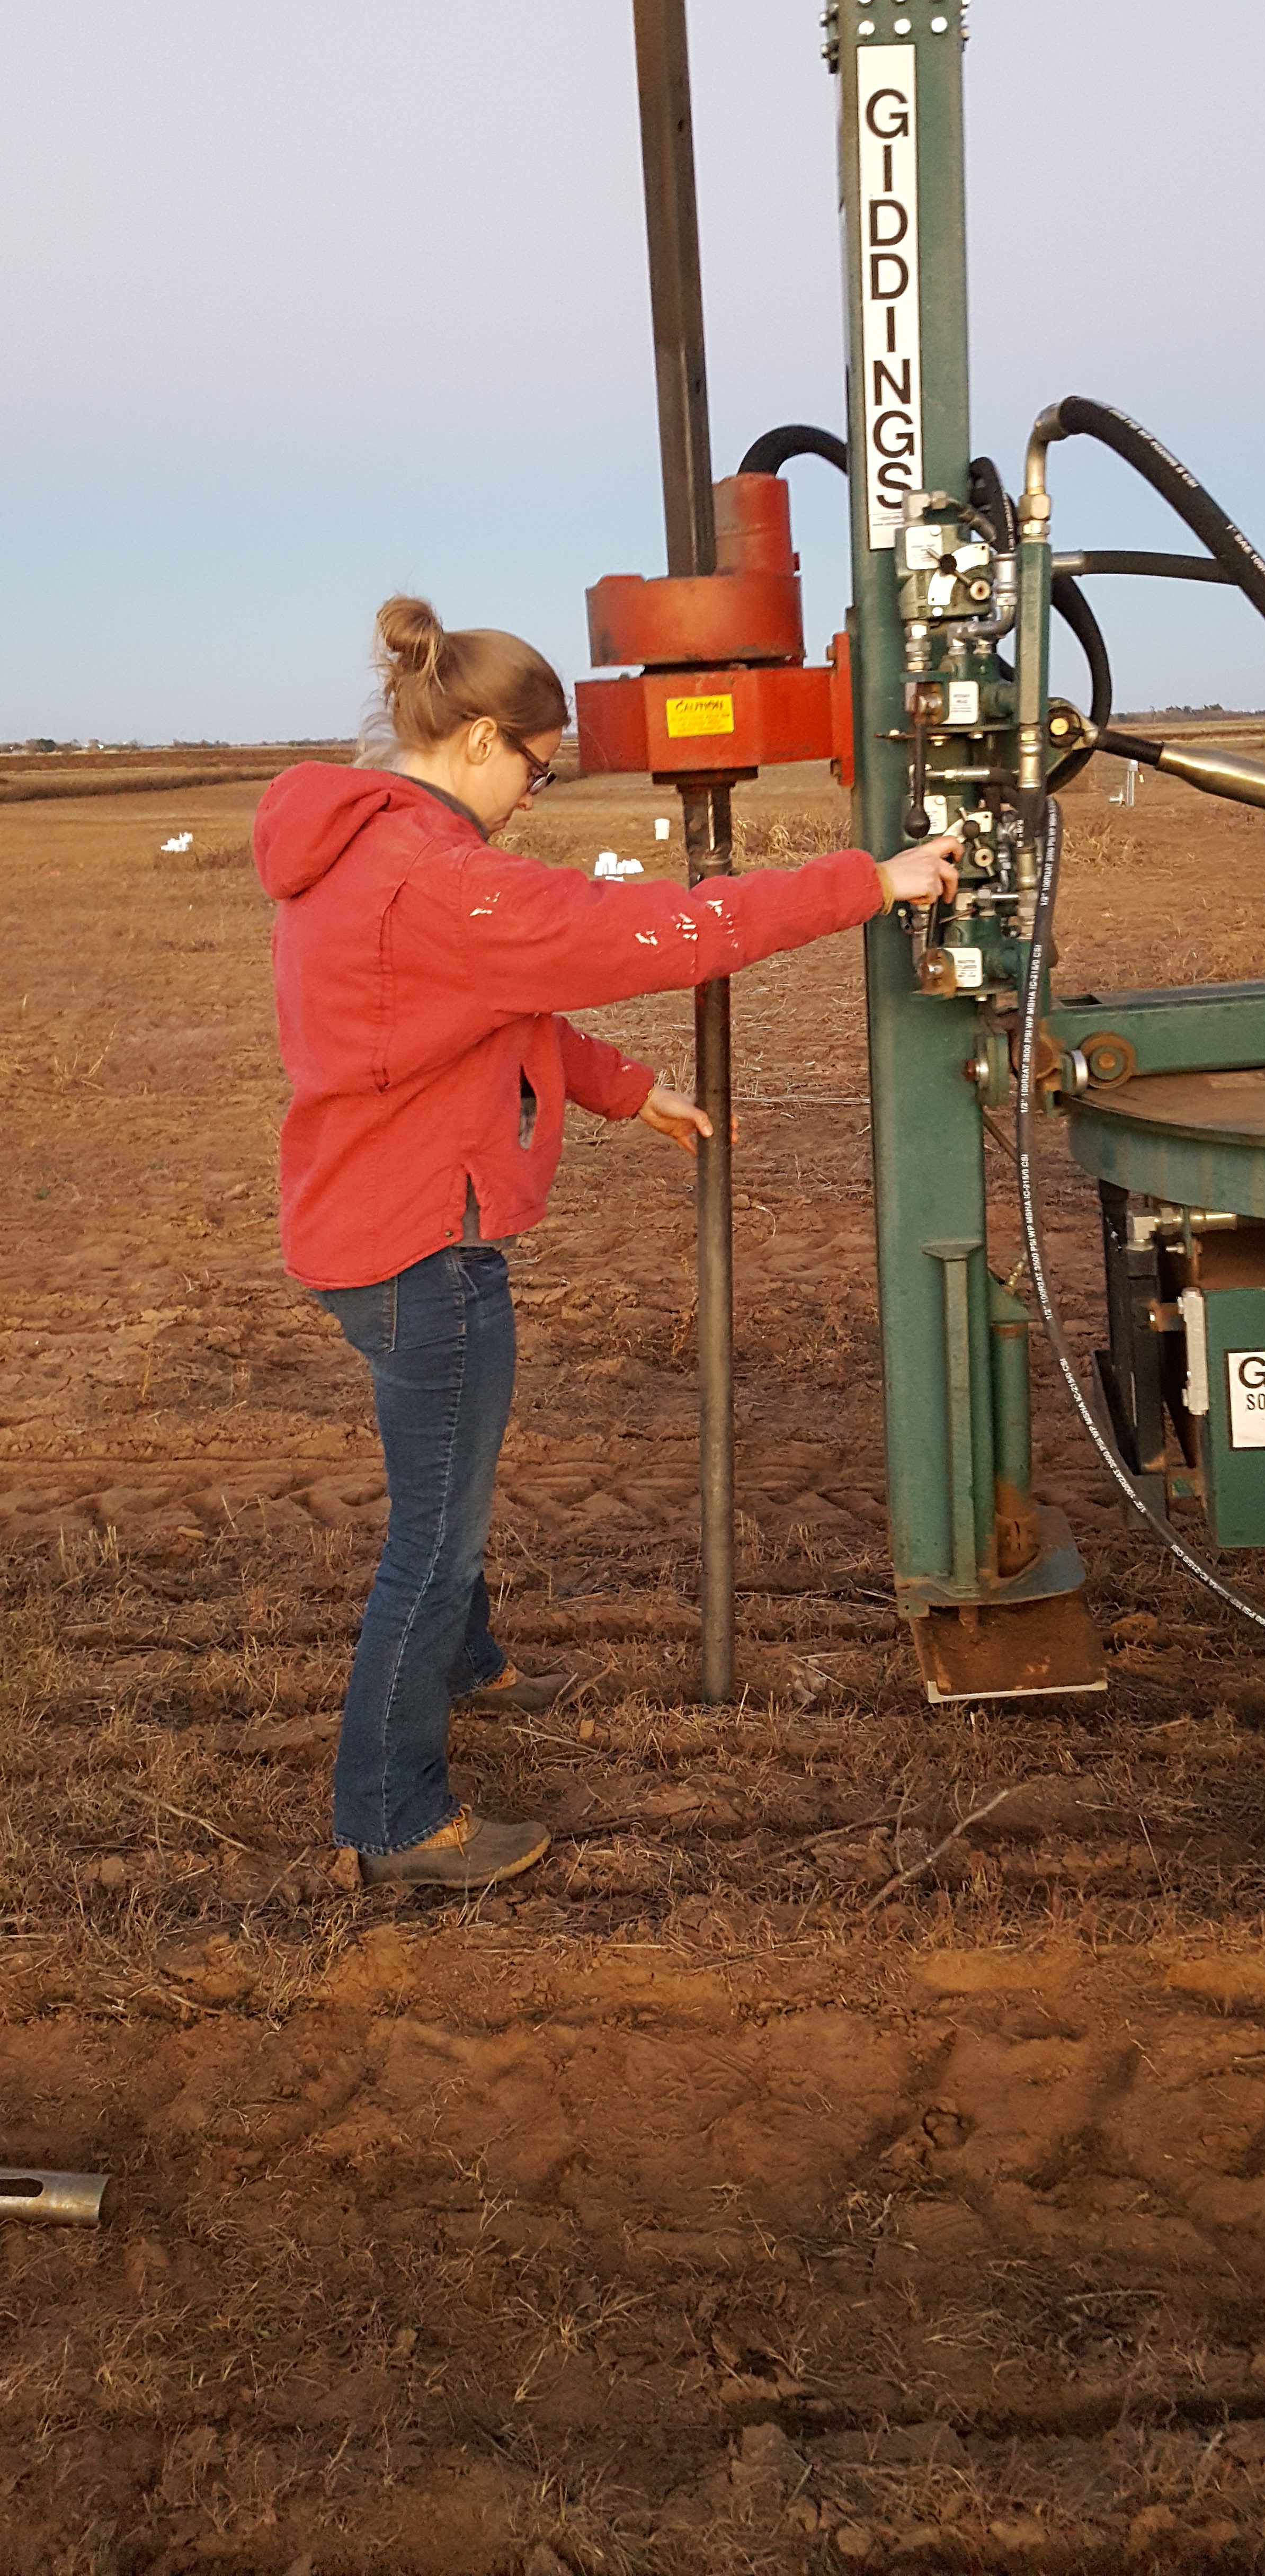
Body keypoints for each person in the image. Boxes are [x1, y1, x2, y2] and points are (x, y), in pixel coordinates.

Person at [253, 595, 959, 1891]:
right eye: (536, 768)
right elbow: (660, 935)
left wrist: (634, 1094)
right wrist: (872, 881)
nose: (535, 796)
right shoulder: (443, 878)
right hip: (422, 1252)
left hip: (367, 1228)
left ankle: (469, 1666)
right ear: (478, 739)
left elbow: (498, 1012)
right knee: (433, 1536)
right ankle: (392, 1820)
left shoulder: (367, 852)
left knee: (443, 1492)